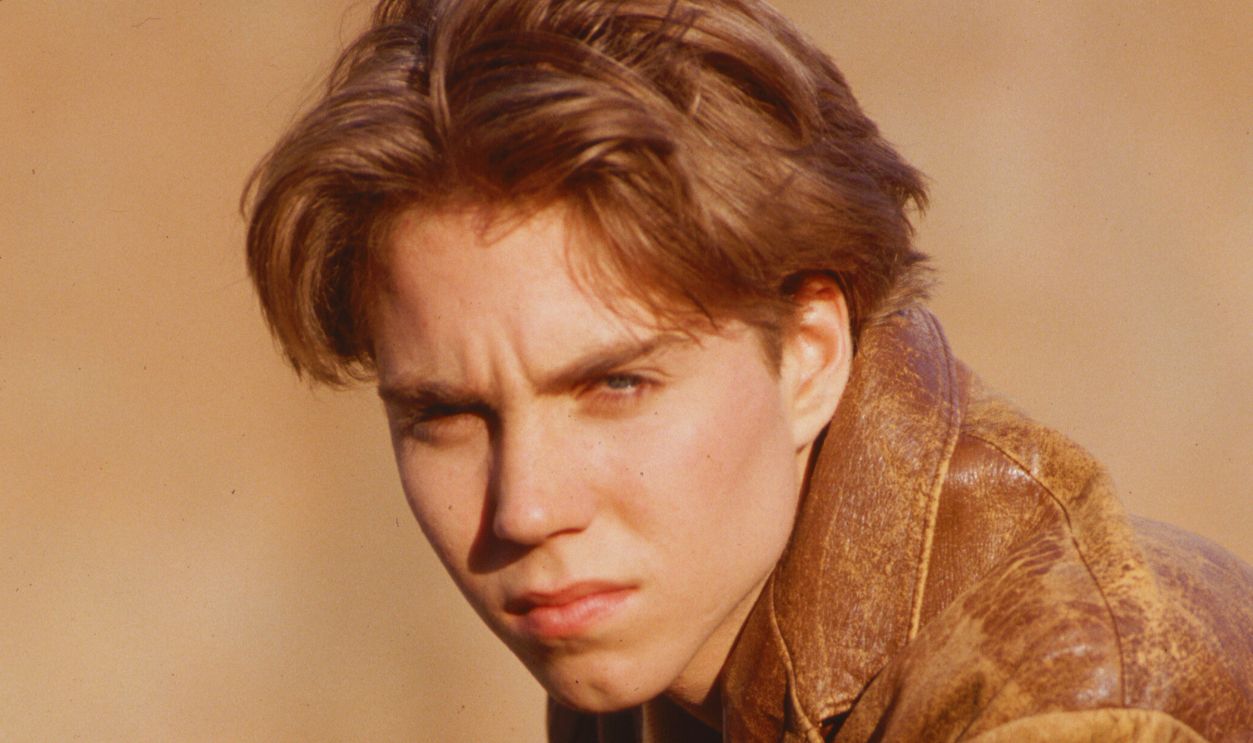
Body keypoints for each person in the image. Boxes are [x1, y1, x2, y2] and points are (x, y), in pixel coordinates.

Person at [242, 0, 1253, 739]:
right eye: (446, 415)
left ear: (809, 355)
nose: (526, 509)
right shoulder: (650, 640)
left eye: (615, 385)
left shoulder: (1076, 698)